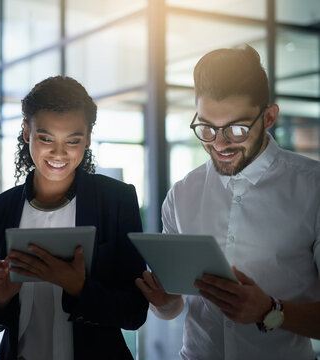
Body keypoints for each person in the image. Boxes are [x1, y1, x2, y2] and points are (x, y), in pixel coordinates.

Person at [136, 44, 320, 359]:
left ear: (270, 117)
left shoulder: (313, 189)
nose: (220, 144)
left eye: (236, 129)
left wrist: (270, 311)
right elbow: (174, 308)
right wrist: (164, 302)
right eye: (206, 128)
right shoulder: (182, 194)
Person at [0, 75, 148, 360]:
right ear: (27, 132)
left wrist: (79, 287)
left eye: (72, 140)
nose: (59, 152)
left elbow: (134, 312)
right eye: (46, 138)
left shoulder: (116, 201)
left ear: (88, 138)